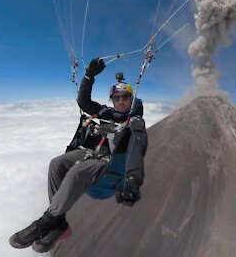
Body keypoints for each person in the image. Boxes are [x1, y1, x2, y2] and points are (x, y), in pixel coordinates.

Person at [9, 58, 148, 253]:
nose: (121, 101)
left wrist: (133, 178)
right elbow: (83, 102)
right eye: (117, 98)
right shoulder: (107, 113)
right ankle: (59, 225)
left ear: (131, 99)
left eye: (125, 97)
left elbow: (138, 143)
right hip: (93, 154)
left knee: (76, 172)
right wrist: (89, 76)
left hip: (110, 168)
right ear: (112, 100)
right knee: (56, 164)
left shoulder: (135, 121)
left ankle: (45, 222)